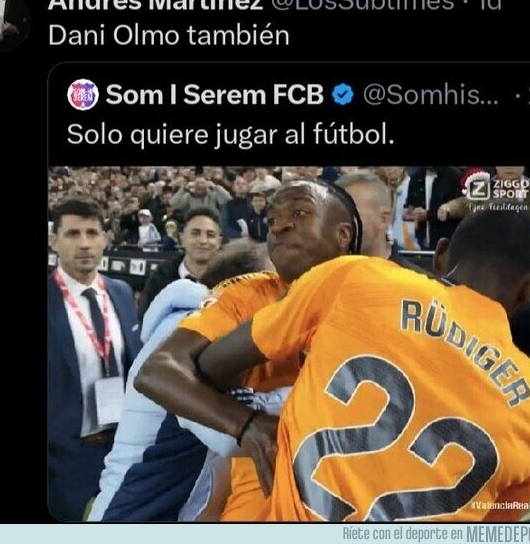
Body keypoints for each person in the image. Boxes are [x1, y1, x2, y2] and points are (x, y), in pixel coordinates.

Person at [174, 209, 530, 522]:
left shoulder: (356, 278)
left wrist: (258, 418)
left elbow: (208, 365)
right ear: (529, 287)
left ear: (441, 254)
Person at [134, 179, 362, 521]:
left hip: (358, 489)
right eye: (272, 220)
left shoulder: (380, 295)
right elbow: (157, 371)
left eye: (299, 213)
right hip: (261, 498)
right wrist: (249, 425)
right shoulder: (246, 294)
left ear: (343, 235)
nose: (280, 226)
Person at [88, 240, 272, 521]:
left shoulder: (191, 326)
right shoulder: (188, 330)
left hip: (156, 504)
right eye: (270, 285)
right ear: (241, 285)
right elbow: (226, 436)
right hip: (128, 508)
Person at [48, 196, 142, 521]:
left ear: (105, 238)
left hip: (120, 449)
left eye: (92, 233)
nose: (84, 244)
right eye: (73, 234)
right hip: (62, 457)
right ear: (54, 241)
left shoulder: (122, 293)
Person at [138, 207, 222, 321]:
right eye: (195, 233)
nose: (203, 241)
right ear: (182, 239)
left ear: (219, 242)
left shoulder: (231, 281)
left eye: (210, 235)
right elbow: (145, 320)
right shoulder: (160, 277)